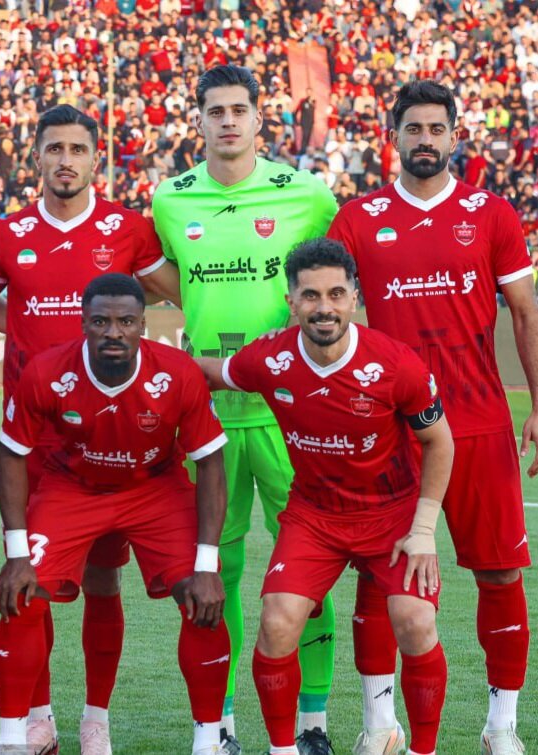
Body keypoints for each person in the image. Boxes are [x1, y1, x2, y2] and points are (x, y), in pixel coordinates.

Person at [0, 104, 179, 755]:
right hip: (34, 443)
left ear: (97, 158)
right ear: (35, 156)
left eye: (77, 149)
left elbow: (186, 294)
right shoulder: (7, 233)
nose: (65, 160)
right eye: (54, 148)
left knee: (103, 582)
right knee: (30, 580)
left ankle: (96, 718)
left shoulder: (128, 229)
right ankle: (37, 718)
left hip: (112, 444)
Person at [327, 79, 537, 755]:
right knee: (379, 578)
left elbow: (525, 312)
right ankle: (378, 726)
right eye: (412, 129)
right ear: (393, 137)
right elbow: (325, 313)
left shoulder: (491, 213)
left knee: (499, 573)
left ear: (454, 136)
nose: (424, 140)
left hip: (478, 423)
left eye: (435, 129)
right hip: (389, 433)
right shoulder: (357, 219)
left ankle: (501, 726)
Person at [196, 239, 454, 755]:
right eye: (311, 295)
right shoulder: (270, 358)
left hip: (391, 514)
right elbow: (211, 373)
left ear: (354, 297)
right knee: (277, 621)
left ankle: (423, 750)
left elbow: (440, 441)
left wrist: (424, 529)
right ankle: (283, 750)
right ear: (291, 301)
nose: (324, 307)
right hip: (315, 516)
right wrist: (139, 362)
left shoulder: (395, 364)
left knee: (415, 621)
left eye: (336, 294)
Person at [150, 65, 339, 753]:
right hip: (209, 418)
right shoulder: (169, 199)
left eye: (239, 110)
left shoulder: (307, 193)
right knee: (215, 574)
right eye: (215, 111)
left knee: (312, 572)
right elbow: (165, 276)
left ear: (260, 118)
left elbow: (340, 278)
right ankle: (219, 722)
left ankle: (313, 723)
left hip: (294, 417)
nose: (227, 121)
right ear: (197, 121)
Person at [0, 273, 229, 755]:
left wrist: (207, 565)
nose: (113, 332)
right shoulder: (47, 370)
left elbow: (210, 463)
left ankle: (206, 742)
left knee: (201, 597)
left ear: (144, 324)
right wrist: (17, 554)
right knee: (23, 593)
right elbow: (11, 455)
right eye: (101, 322)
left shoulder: (177, 372)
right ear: (84, 324)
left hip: (154, 488)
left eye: (126, 322)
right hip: (73, 487)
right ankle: (12, 740)